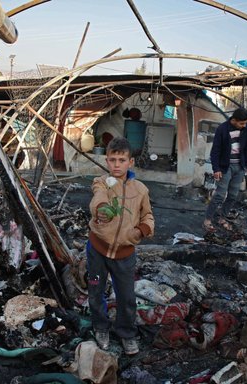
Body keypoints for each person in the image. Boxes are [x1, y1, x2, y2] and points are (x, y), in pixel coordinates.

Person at [87, 136, 155, 355]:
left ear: (130, 162)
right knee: (96, 292)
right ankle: (100, 327)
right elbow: (98, 198)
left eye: (121, 160)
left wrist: (141, 231)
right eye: (112, 160)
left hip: (125, 253)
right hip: (97, 249)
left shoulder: (141, 190)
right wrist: (103, 209)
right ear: (106, 161)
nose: (117, 165)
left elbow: (148, 216)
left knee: (126, 296)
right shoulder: (102, 182)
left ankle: (126, 333)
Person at [203, 107, 247, 232]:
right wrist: (216, 169)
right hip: (225, 167)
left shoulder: (246, 129)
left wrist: (245, 165)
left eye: (245, 123)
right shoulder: (222, 129)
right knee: (220, 195)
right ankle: (208, 220)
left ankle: (222, 218)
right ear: (234, 120)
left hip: (239, 167)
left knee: (233, 195)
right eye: (241, 123)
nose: (244, 125)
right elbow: (215, 151)